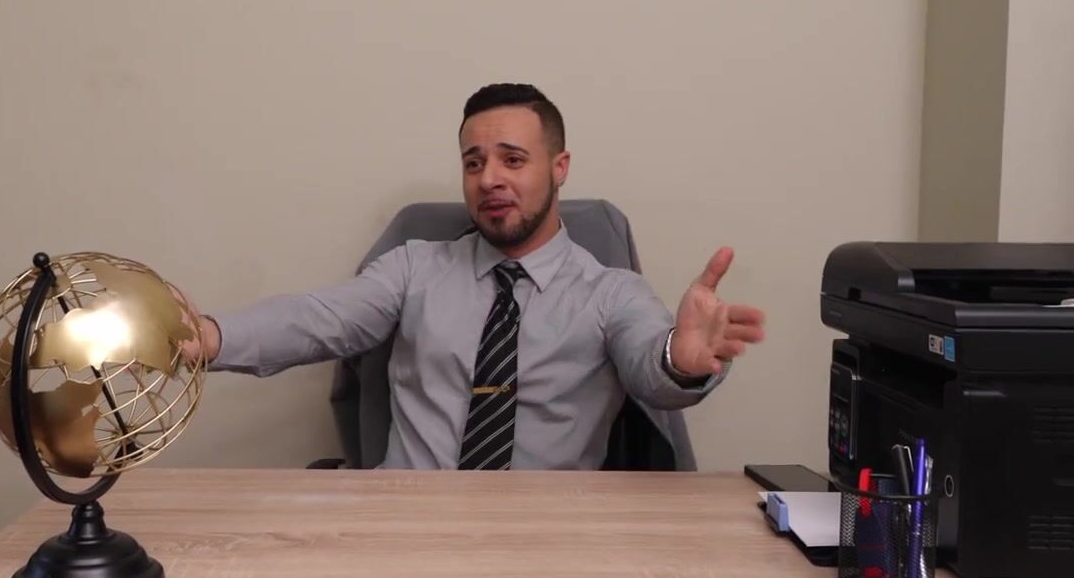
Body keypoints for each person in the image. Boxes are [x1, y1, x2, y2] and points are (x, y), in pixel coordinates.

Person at [175, 83, 766, 469]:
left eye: (513, 159)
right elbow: (319, 320)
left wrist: (680, 360)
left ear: (559, 167)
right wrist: (212, 335)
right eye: (473, 162)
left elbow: (651, 364)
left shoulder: (612, 292)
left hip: (547, 542)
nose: (489, 179)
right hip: (404, 528)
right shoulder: (413, 267)